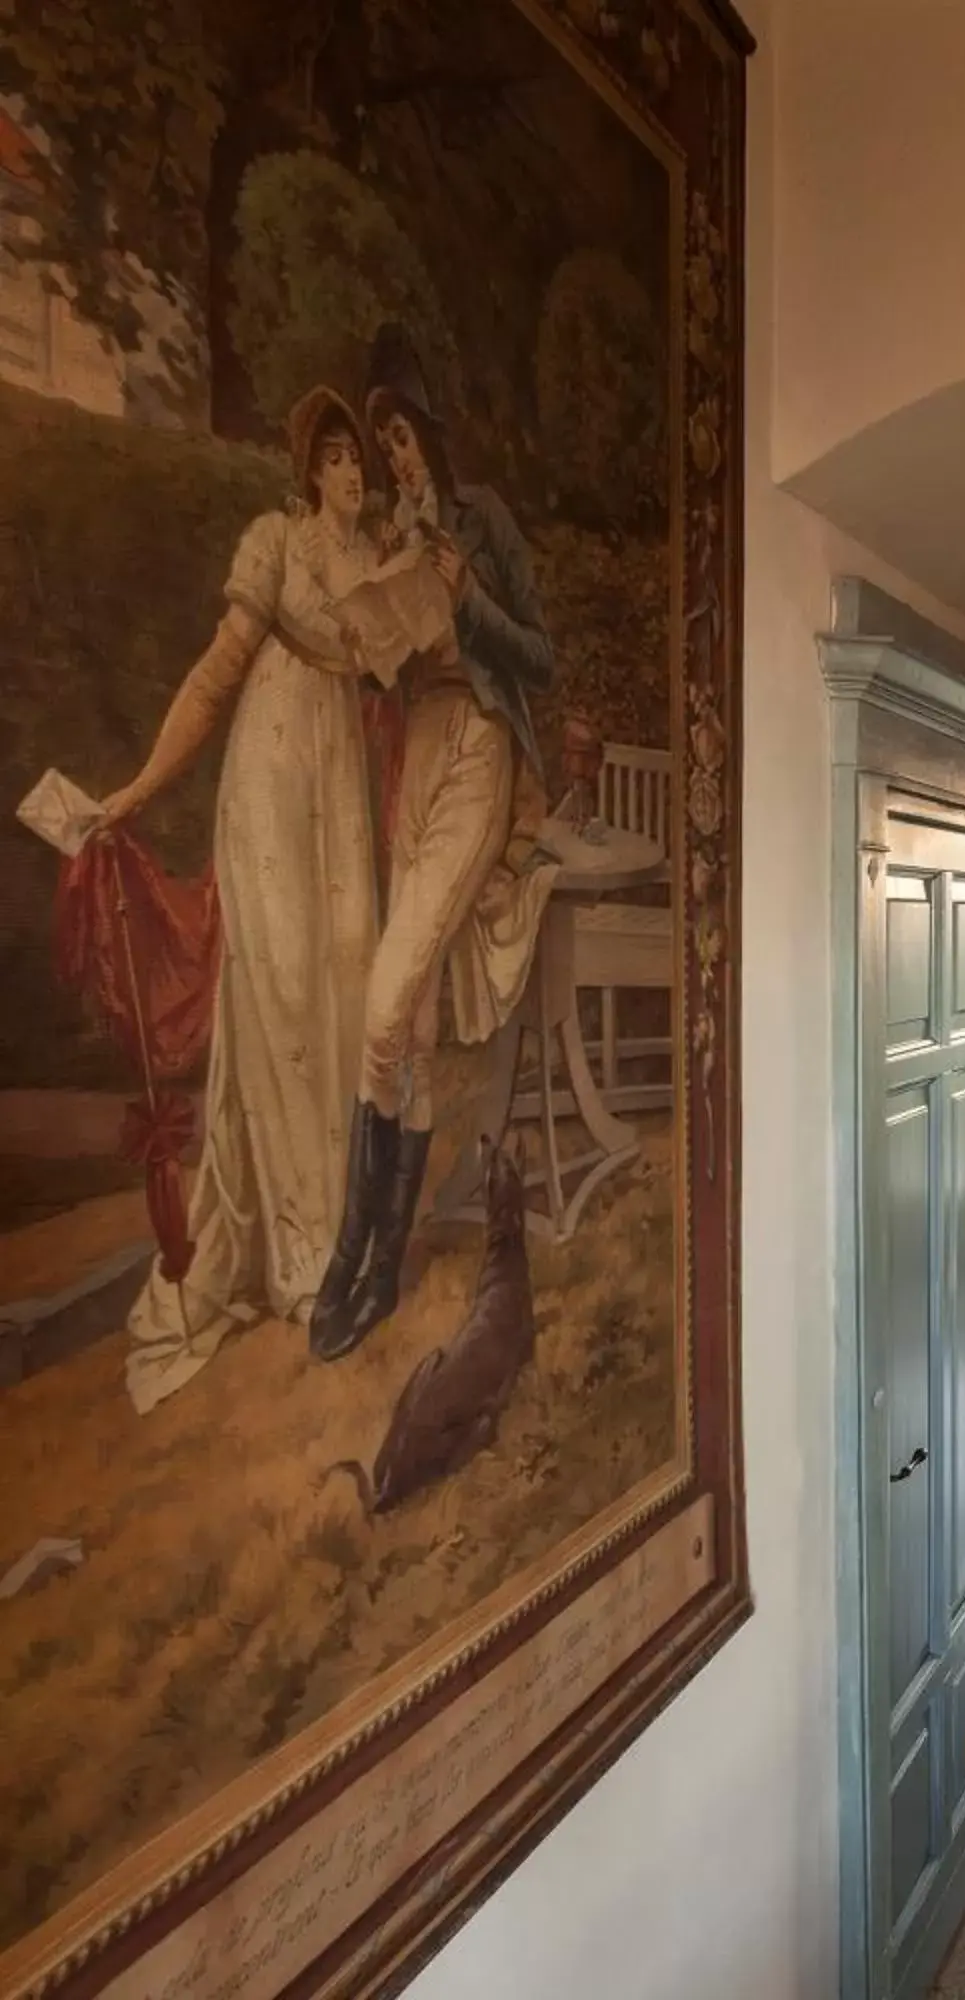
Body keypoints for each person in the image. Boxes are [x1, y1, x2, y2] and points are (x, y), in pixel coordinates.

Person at [98, 388, 388, 1412]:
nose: (351, 474)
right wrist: (139, 785)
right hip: (270, 779)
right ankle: (300, 1263)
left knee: (349, 997)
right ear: (310, 473)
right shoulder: (278, 541)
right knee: (287, 1009)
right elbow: (220, 672)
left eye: (361, 461)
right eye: (336, 459)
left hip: (338, 798)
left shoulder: (378, 569)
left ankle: (339, 1238)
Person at [309, 327, 560, 1361]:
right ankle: (370, 1260)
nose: (398, 463)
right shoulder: (385, 534)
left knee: (387, 988)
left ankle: (358, 1244)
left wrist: (469, 599)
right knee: (401, 1017)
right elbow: (380, 661)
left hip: (481, 750)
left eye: (406, 442)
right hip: (415, 750)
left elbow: (539, 657)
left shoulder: (480, 520)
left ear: (434, 441)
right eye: (386, 449)